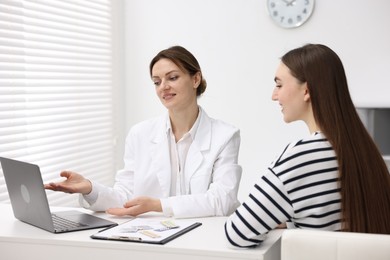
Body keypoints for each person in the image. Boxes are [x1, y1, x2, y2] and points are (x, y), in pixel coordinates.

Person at [45, 45, 242, 218]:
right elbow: (125, 196)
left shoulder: (224, 136)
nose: (163, 87)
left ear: (195, 79)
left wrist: (158, 206)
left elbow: (222, 200)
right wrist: (90, 188)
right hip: (155, 238)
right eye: (157, 82)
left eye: (172, 78)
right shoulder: (140, 134)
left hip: (205, 239)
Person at [225, 43, 390, 248]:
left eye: (279, 85)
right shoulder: (366, 150)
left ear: (306, 91)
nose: (274, 95)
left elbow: (237, 232)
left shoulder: (300, 156)